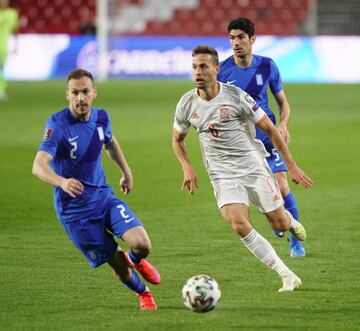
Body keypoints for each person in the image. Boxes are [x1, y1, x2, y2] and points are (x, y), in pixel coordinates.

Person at [172, 45, 313, 292]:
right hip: (221, 174)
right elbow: (177, 139)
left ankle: (289, 221)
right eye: (194, 66)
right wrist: (186, 166)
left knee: (278, 224)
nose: (198, 71)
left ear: (216, 68)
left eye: (203, 66)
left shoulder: (236, 96)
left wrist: (291, 165)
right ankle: (286, 274)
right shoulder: (186, 104)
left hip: (252, 165)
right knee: (239, 224)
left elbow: (270, 128)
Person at [32, 69, 160, 310]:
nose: (81, 98)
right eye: (75, 93)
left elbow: (109, 141)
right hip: (75, 212)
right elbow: (38, 165)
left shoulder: (102, 117)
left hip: (103, 198)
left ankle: (137, 261)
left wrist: (126, 170)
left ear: (94, 92)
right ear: (67, 94)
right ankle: (144, 293)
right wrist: (62, 181)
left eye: (85, 92)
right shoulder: (58, 124)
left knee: (142, 245)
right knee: (118, 265)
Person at [217, 17, 306, 257]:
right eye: (232, 38)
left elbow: (283, 103)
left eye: (241, 37)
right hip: (240, 143)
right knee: (251, 190)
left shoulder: (267, 66)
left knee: (281, 184)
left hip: (267, 137)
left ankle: (295, 241)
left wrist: (284, 125)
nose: (236, 43)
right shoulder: (222, 71)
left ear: (252, 39)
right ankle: (278, 220)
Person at [0, 0, 18, 101]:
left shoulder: (12, 13)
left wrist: (16, 44)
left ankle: (1, 90)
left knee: (1, 69)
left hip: (3, 46)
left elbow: (15, 29)